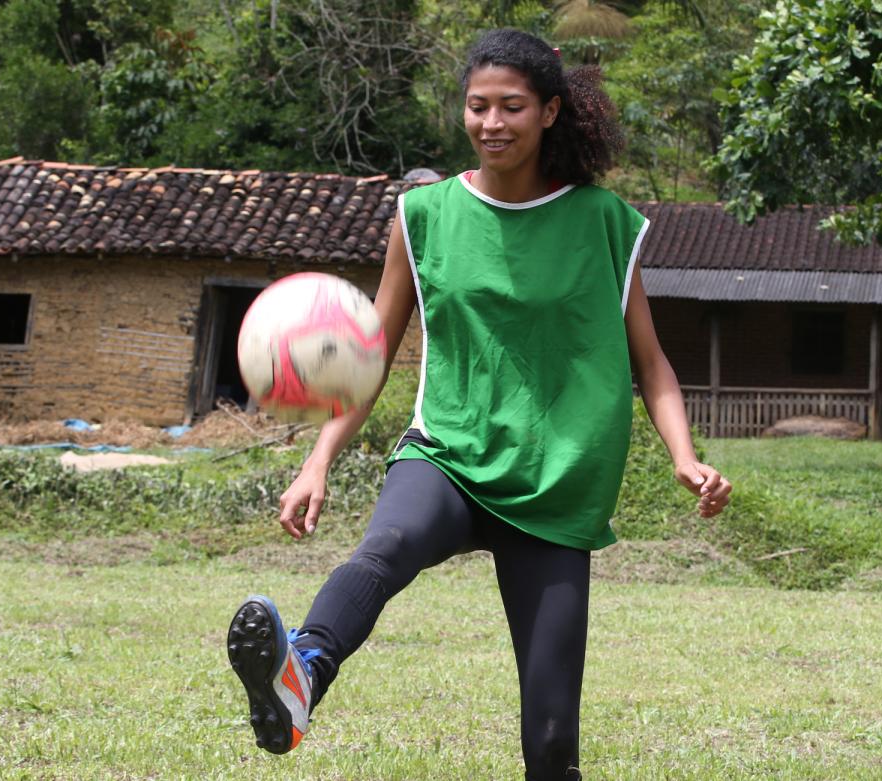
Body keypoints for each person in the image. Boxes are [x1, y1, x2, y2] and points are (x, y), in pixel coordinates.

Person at [226, 28, 733, 780]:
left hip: (558, 481)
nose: (492, 123)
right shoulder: (423, 216)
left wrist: (685, 457)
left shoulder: (600, 221)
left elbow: (650, 360)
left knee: (554, 741)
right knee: (388, 547)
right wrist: (318, 459)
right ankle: (299, 677)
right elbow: (366, 356)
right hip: (449, 453)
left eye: (512, 107)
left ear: (551, 113)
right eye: (477, 106)